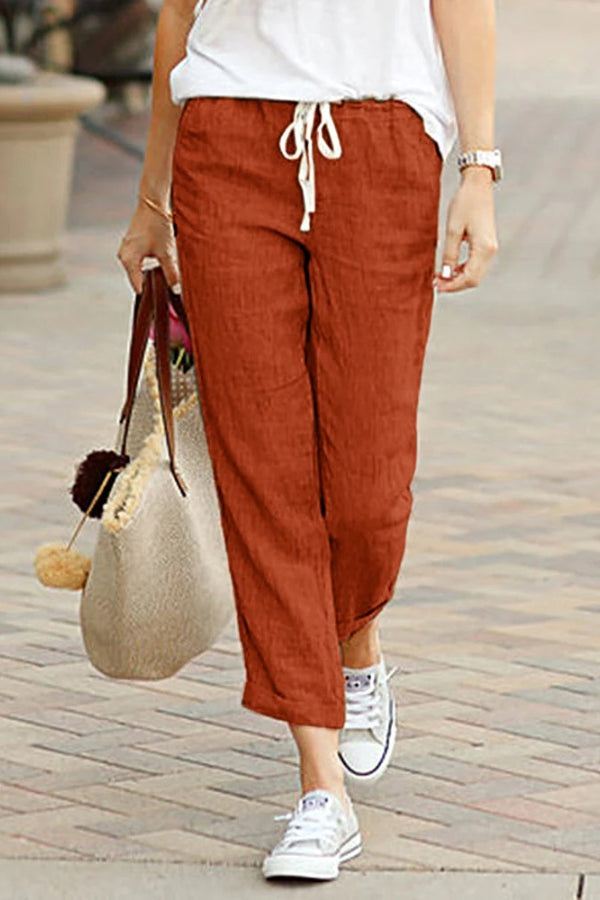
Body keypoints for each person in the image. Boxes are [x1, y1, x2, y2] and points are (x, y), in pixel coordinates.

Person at [118, 0, 500, 882]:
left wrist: (477, 170)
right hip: (225, 137)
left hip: (381, 136)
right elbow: (179, 15)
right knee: (263, 467)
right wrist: (152, 201)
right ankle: (319, 784)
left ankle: (354, 638)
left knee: (367, 487)